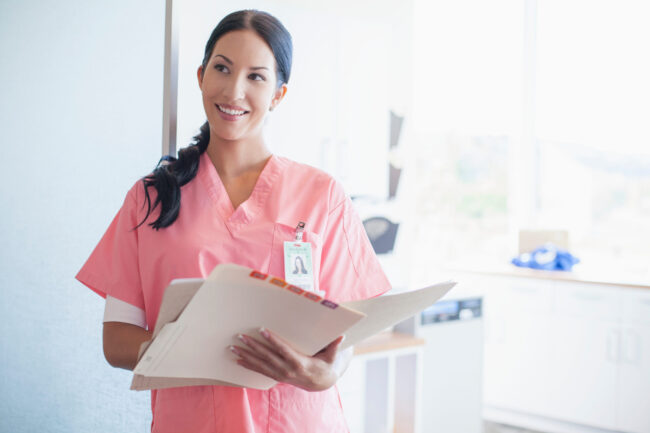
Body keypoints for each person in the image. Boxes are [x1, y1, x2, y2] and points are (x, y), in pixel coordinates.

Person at [76, 9, 391, 433]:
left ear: (279, 94)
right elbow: (116, 341)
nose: (234, 90)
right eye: (222, 69)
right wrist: (192, 348)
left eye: (256, 77)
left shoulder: (321, 196)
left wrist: (325, 374)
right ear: (201, 75)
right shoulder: (150, 198)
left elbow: (345, 332)